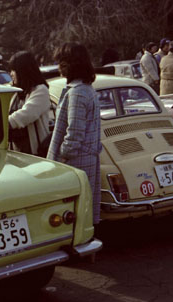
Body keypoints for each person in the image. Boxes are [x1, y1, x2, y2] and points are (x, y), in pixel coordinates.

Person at [47, 42, 102, 225]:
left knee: (73, 213)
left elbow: (74, 134)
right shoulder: (86, 89)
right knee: (84, 210)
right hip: (86, 159)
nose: (58, 66)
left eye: (61, 62)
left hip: (76, 162)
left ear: (71, 65)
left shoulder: (77, 93)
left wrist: (63, 157)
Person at [7, 51, 51, 156]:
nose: (11, 74)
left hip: (36, 153)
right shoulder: (17, 92)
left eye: (14, 70)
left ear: (23, 71)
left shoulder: (40, 90)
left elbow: (25, 115)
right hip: (17, 152)